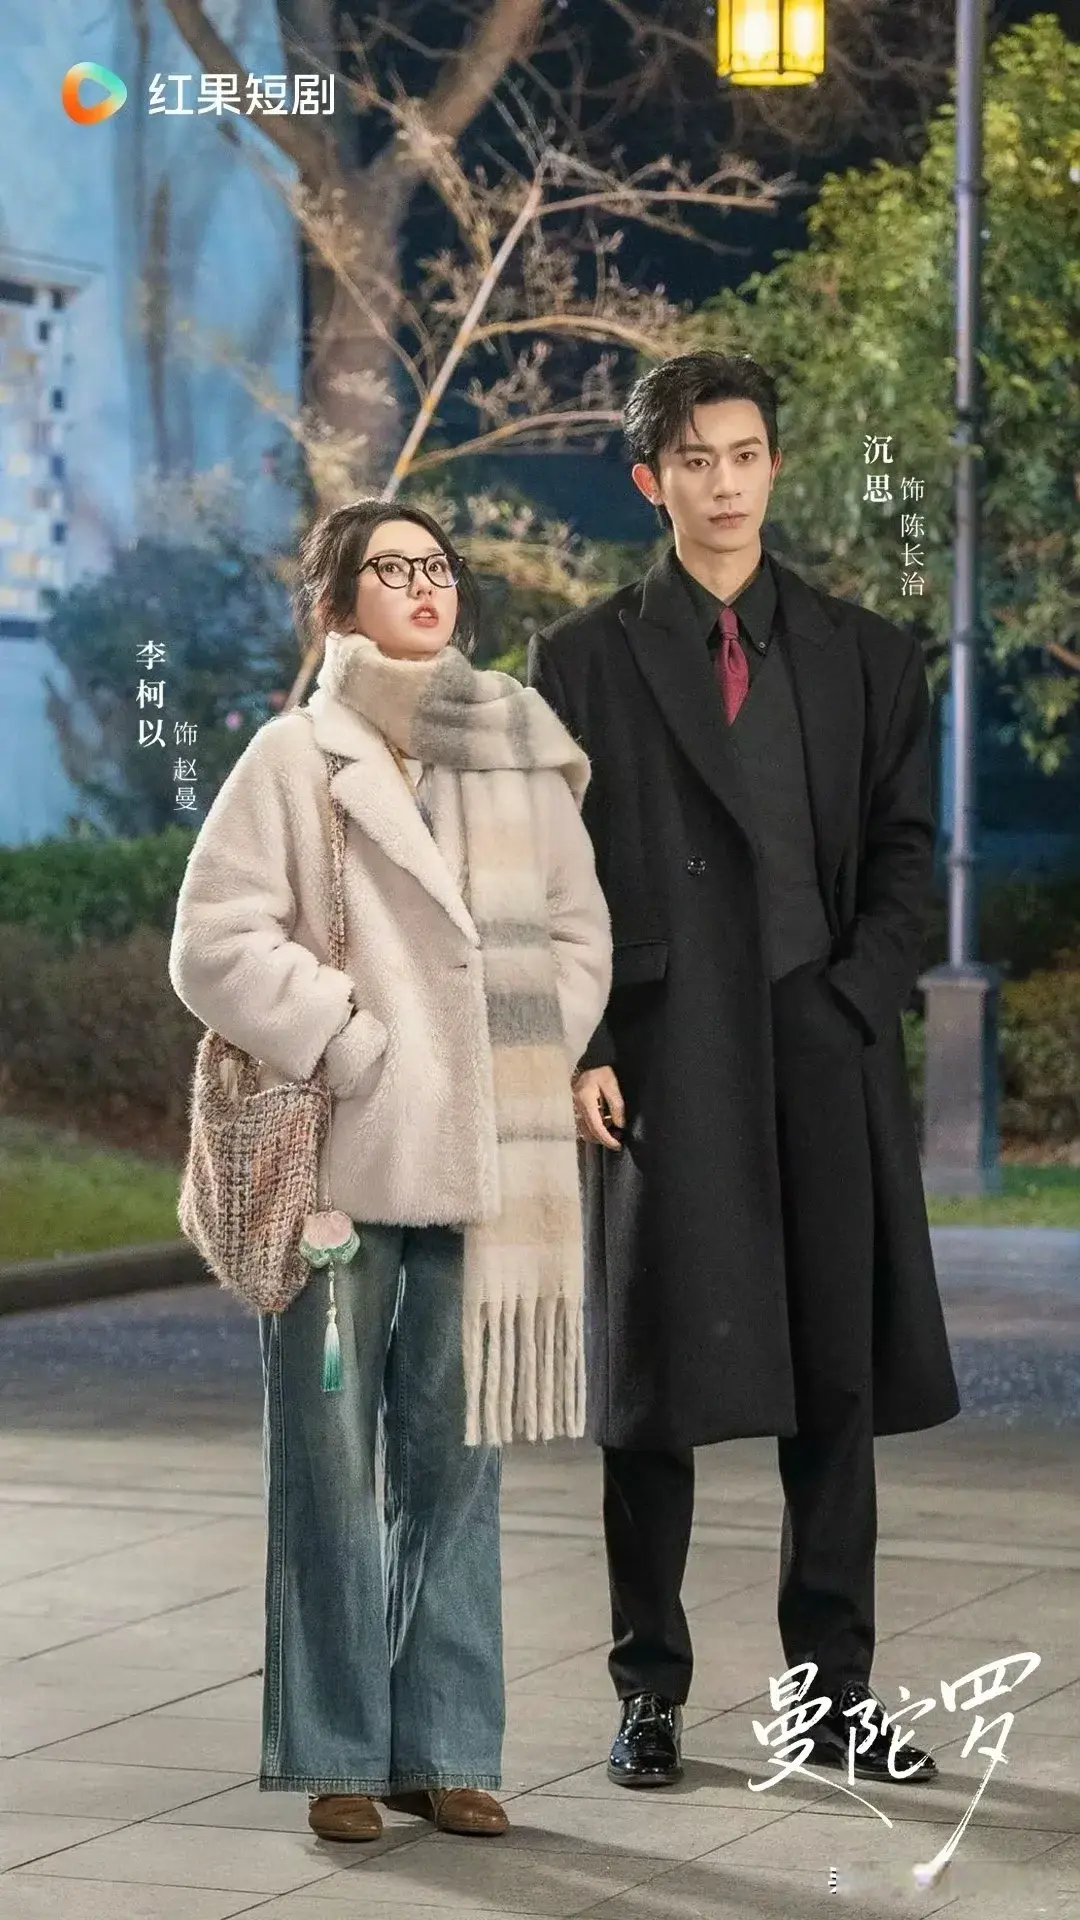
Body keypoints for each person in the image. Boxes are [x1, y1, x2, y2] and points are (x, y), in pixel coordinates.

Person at [527, 351, 959, 1790]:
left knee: (834, 1385)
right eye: (697, 460)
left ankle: (835, 1695)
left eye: (748, 454)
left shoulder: (868, 654)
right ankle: (648, 1689)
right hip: (661, 1059)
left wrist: (852, 1000)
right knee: (653, 1391)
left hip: (821, 1048)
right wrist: (584, 1044)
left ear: (777, 465)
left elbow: (907, 859)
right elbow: (545, 878)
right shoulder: (581, 659)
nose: (726, 483)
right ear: (651, 481)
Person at [169, 501, 612, 1843]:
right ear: (337, 603)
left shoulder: (514, 750)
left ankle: (448, 1745)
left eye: (438, 566)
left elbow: (580, 932)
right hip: (339, 1178)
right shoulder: (293, 756)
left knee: (456, 1465)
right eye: (393, 569)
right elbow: (213, 944)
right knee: (326, 1464)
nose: (426, 586)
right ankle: (336, 1754)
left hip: (482, 1162)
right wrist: (351, 1039)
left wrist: (523, 1056)